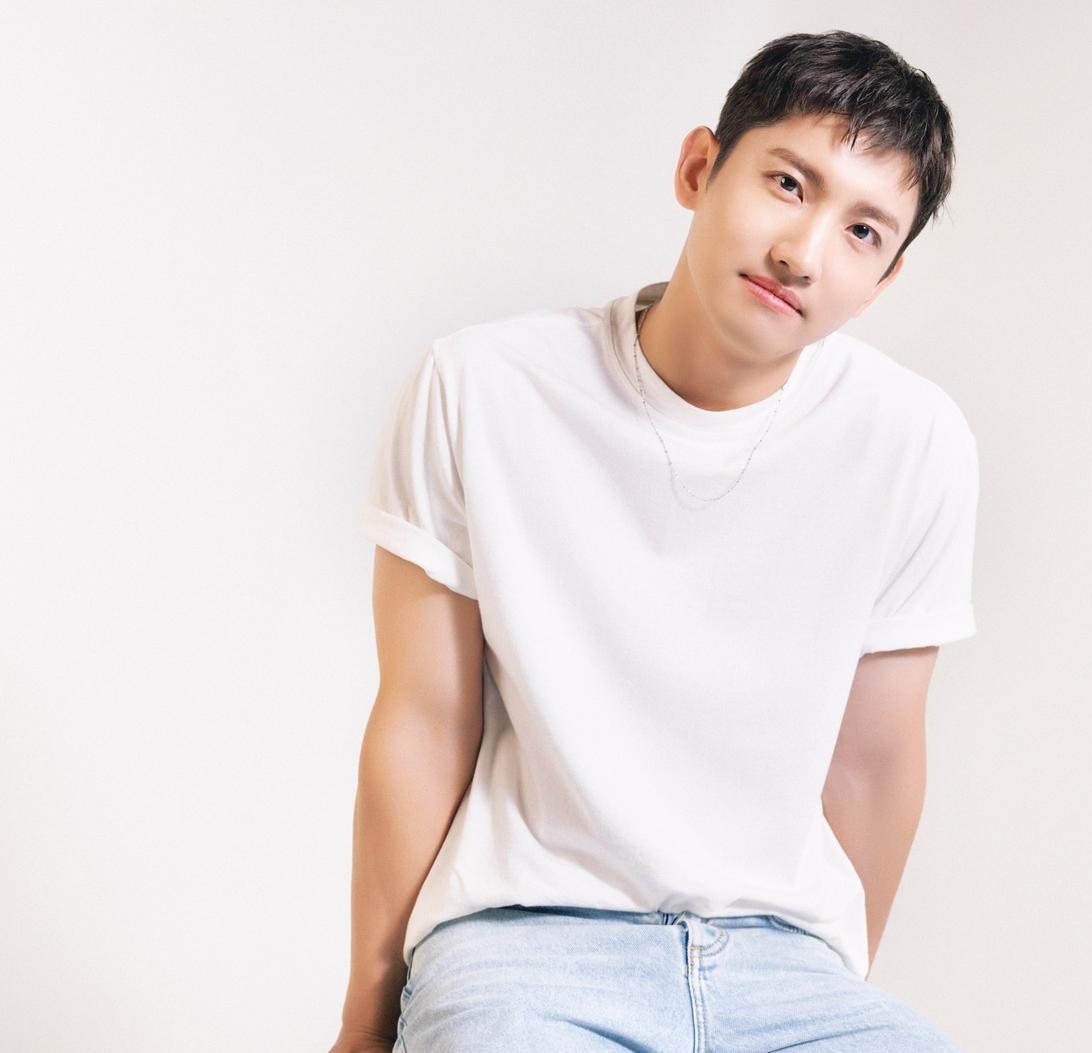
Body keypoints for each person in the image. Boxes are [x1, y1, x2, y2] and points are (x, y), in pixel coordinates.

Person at [331, 29, 978, 1053]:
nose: (802, 252)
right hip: (525, 947)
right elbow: (423, 721)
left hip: (780, 960)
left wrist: (825, 990)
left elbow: (875, 763)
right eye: (787, 183)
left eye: (862, 231)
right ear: (698, 168)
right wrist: (366, 1025)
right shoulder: (482, 387)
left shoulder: (914, 440)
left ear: (884, 279)